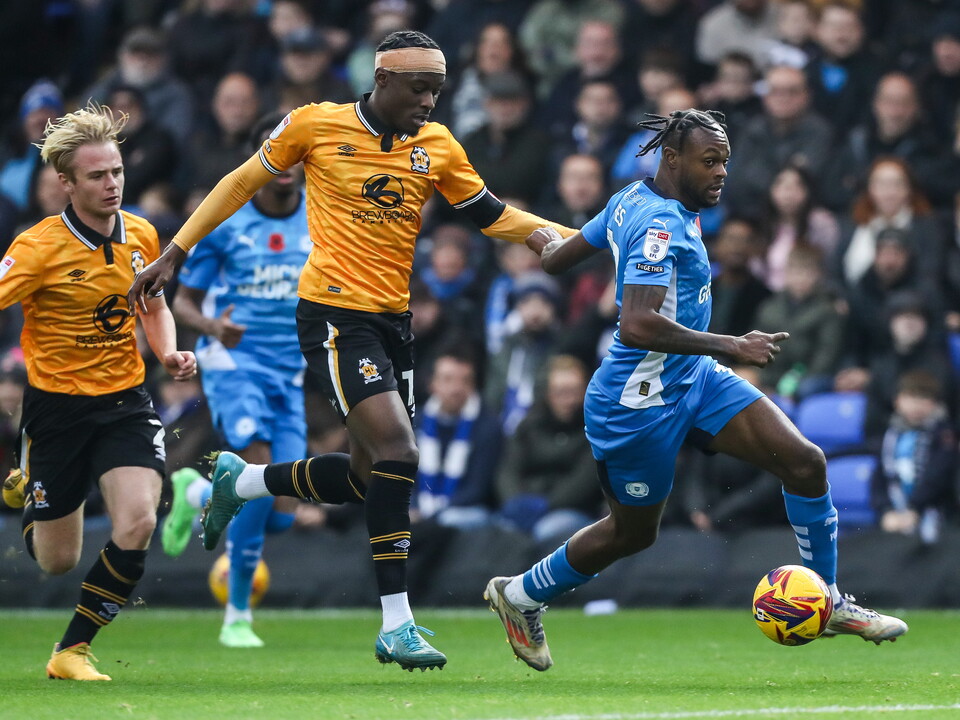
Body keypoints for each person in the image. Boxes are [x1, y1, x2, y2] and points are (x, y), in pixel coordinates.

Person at [128, 30, 577, 672]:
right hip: (335, 317)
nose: (429, 101)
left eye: (437, 90)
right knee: (401, 452)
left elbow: (494, 215)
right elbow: (239, 182)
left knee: (372, 477)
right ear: (382, 79)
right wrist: (175, 251)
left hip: (394, 323)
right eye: (419, 88)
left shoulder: (438, 145)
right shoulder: (314, 125)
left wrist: (575, 238)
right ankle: (397, 623)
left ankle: (243, 480)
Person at [483, 108, 908, 673]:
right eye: (710, 161)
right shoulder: (657, 226)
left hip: (693, 378)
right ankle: (520, 595)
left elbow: (559, 259)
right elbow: (637, 324)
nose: (721, 172)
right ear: (672, 158)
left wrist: (535, 234)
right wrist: (732, 344)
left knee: (805, 462)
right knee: (632, 534)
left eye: (724, 161)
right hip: (635, 404)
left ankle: (827, 600)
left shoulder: (630, 199)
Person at [0, 103, 196, 680]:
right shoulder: (36, 248)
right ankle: (30, 488)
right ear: (66, 182)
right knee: (56, 560)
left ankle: (72, 650)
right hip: (56, 410)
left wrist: (167, 351)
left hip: (124, 402)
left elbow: (152, 305)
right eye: (97, 176)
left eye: (117, 172)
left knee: (138, 522)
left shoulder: (143, 234)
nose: (112, 184)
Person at [160, 113, 309, 648]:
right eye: (274, 151)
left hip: (290, 372)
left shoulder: (324, 217)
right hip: (233, 364)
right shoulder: (226, 221)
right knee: (260, 471)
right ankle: (237, 616)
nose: (285, 162)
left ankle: (198, 490)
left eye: (294, 152)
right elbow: (184, 302)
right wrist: (212, 328)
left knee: (284, 510)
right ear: (258, 161)